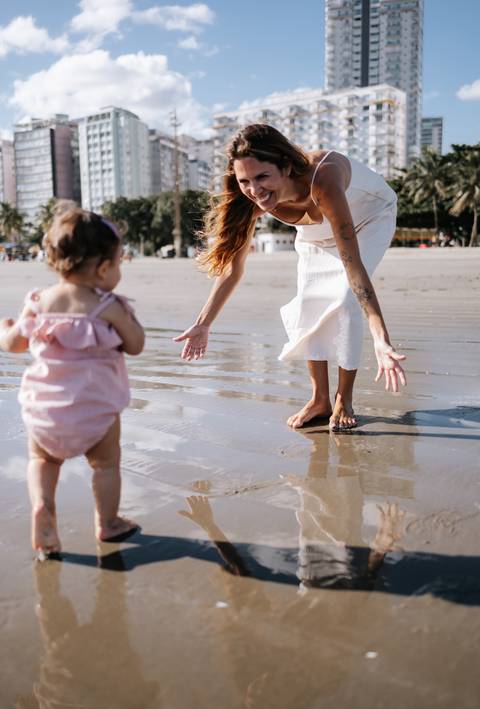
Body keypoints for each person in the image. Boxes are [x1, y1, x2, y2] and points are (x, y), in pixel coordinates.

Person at [174, 124, 406, 431]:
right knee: (309, 301)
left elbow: (353, 266)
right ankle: (319, 399)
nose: (254, 190)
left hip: (369, 217)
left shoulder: (323, 179)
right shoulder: (251, 201)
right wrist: (204, 323)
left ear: (285, 166)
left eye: (261, 177)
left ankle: (343, 399)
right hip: (315, 232)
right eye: (244, 181)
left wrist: (380, 337)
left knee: (343, 298)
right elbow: (233, 267)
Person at [0, 209, 145, 558]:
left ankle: (44, 510)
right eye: (118, 263)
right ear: (104, 269)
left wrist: (5, 329)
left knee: (42, 461)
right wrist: (124, 321)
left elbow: (14, 345)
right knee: (106, 466)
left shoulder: (38, 302)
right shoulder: (109, 307)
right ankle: (108, 523)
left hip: (44, 410)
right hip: (95, 411)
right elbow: (136, 345)